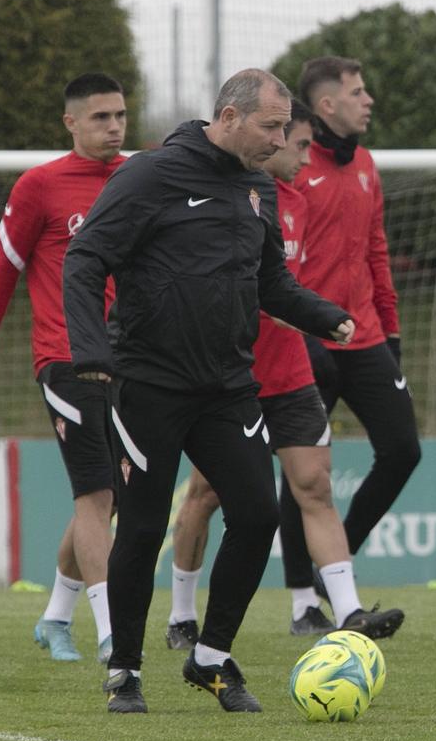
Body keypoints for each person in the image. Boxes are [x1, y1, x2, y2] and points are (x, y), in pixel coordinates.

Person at [65, 70, 355, 714]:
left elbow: (271, 282)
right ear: (228, 117)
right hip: (149, 385)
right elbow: (84, 259)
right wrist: (90, 351)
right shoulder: (148, 176)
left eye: (286, 127)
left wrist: (323, 315)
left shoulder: (258, 188)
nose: (282, 139)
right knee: (140, 527)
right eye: (272, 126)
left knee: (256, 515)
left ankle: (212, 656)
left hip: (227, 385)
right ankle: (126, 669)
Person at [167, 99, 403, 645]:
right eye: (292, 143)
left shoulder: (296, 200)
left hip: (293, 370)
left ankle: (348, 613)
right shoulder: (233, 199)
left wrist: (333, 320)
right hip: (235, 377)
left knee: (314, 484)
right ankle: (181, 615)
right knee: (205, 495)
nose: (295, 153)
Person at [0, 73, 127, 664]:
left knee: (115, 496)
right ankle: (112, 634)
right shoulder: (40, 187)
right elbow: (2, 277)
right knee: (95, 493)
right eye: (101, 117)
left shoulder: (137, 179)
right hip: (66, 361)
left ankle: (56, 615)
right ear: (71, 123)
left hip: (129, 361)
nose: (113, 127)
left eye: (120, 116)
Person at [286, 55, 421, 630]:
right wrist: (302, 329)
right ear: (326, 107)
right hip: (307, 340)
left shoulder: (365, 163)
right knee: (303, 473)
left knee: (403, 449)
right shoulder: (291, 165)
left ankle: (335, 558)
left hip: (364, 336)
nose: (369, 101)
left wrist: (389, 331)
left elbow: (375, 253)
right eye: (358, 92)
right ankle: (302, 605)